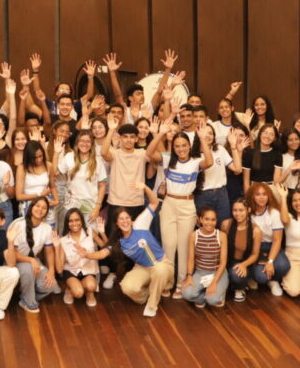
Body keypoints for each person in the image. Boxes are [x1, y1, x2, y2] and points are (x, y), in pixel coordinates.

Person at [149, 119, 215, 295]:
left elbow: (209, 162)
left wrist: (202, 138)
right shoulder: (167, 159)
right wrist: (160, 134)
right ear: (173, 147)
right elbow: (149, 153)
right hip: (169, 204)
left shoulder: (195, 161)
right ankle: (168, 283)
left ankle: (180, 283)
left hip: (187, 206)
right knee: (168, 246)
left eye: (184, 145)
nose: (181, 149)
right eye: (177, 146)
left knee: (184, 247)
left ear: (189, 146)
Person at [109, 187, 175, 317]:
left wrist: (145, 187)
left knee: (159, 269)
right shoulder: (119, 240)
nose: (125, 221)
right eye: (121, 219)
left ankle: (152, 305)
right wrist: (88, 251)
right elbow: (105, 249)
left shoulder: (139, 224)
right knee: (127, 287)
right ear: (116, 223)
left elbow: (154, 202)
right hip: (142, 268)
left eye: (127, 218)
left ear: (131, 219)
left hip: (162, 263)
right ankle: (151, 292)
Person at [9, 197, 59, 313]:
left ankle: (25, 296)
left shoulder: (47, 228)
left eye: (44, 208)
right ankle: (29, 303)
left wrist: (51, 271)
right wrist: (31, 260)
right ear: (31, 207)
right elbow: (12, 253)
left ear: (47, 212)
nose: (40, 210)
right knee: (28, 269)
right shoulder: (18, 224)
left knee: (51, 285)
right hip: (16, 260)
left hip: (33, 260)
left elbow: (49, 252)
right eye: (37, 206)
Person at [57, 208, 108, 307]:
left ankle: (89, 293)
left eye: (77, 220)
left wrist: (102, 232)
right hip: (71, 272)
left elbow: (105, 247)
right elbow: (59, 269)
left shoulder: (90, 231)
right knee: (78, 293)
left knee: (91, 286)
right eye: (71, 221)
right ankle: (70, 289)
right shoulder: (63, 240)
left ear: (82, 221)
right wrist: (56, 247)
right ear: (67, 223)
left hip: (88, 270)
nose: (74, 223)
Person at [246, 183, 289, 296]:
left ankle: (273, 281)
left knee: (283, 266)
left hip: (272, 245)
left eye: (264, 194)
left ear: (269, 196)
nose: (261, 197)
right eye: (258, 194)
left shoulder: (274, 213)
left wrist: (270, 261)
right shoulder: (248, 213)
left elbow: (277, 240)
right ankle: (252, 275)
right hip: (256, 247)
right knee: (261, 277)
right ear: (252, 197)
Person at [57, 130, 108, 226]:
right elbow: (54, 173)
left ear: (92, 144)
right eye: (82, 140)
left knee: (90, 234)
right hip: (71, 206)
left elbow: (102, 186)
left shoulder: (98, 161)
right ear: (77, 142)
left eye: (88, 141)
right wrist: (56, 153)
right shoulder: (69, 157)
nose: (85, 144)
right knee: (70, 234)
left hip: (90, 207)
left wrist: (97, 207)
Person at [181, 207, 229, 308]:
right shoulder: (193, 235)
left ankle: (217, 295)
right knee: (186, 293)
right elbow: (191, 258)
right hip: (200, 272)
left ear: (216, 221)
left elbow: (223, 262)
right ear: (200, 219)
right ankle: (203, 298)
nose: (210, 223)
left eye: (213, 220)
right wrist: (189, 276)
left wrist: (214, 282)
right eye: (207, 219)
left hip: (218, 272)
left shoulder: (222, 236)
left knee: (213, 300)